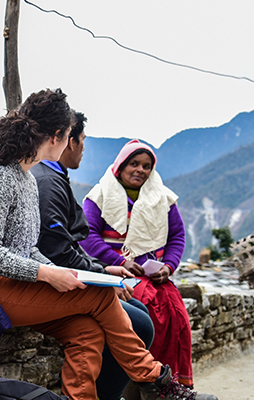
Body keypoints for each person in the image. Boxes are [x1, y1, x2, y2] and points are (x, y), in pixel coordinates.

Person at [0, 88, 216, 400]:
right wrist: (48, 275)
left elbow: (27, 248)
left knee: (86, 331)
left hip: (8, 282)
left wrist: (63, 273)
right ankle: (157, 383)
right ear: (57, 136)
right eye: (72, 134)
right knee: (98, 296)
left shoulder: (27, 178)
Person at [32, 111, 155, 400]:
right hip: (53, 282)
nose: (85, 148)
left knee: (140, 312)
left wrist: (104, 271)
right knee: (139, 324)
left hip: (69, 275)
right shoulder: (48, 182)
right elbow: (57, 251)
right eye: (82, 141)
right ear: (67, 141)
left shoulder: (55, 177)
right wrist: (102, 274)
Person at [80, 139, 197, 388]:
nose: (140, 170)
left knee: (177, 315)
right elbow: (87, 237)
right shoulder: (99, 197)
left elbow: (177, 236)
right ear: (120, 166)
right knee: (148, 309)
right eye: (134, 163)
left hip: (152, 273)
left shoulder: (163, 199)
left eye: (146, 166)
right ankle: (144, 381)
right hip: (114, 272)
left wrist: (168, 266)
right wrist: (119, 260)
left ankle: (169, 382)